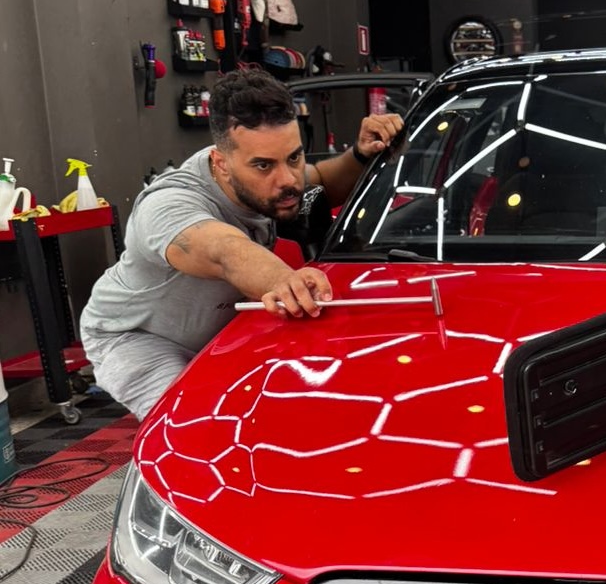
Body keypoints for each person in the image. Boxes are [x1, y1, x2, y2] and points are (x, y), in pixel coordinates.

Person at [80, 69, 403, 420]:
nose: (287, 179)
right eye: (264, 165)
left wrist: (360, 154)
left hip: (216, 331)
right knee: (195, 427)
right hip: (139, 338)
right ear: (221, 164)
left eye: (294, 158)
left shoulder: (261, 174)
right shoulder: (168, 204)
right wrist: (282, 279)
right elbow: (224, 251)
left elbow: (321, 180)